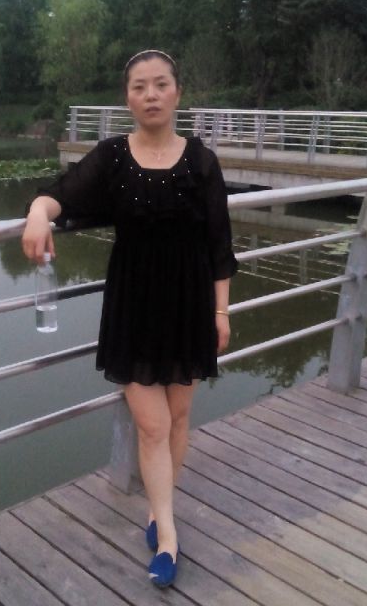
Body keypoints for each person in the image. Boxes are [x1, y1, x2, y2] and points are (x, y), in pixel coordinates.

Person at [21, 49, 238, 588]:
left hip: (189, 305)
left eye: (160, 84)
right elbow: (61, 194)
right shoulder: (113, 157)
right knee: (153, 424)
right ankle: (168, 537)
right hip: (134, 307)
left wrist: (221, 310)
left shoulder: (202, 162)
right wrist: (37, 212)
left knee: (180, 419)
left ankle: (159, 513)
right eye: (139, 87)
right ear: (128, 98)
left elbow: (219, 245)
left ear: (177, 92)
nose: (150, 95)